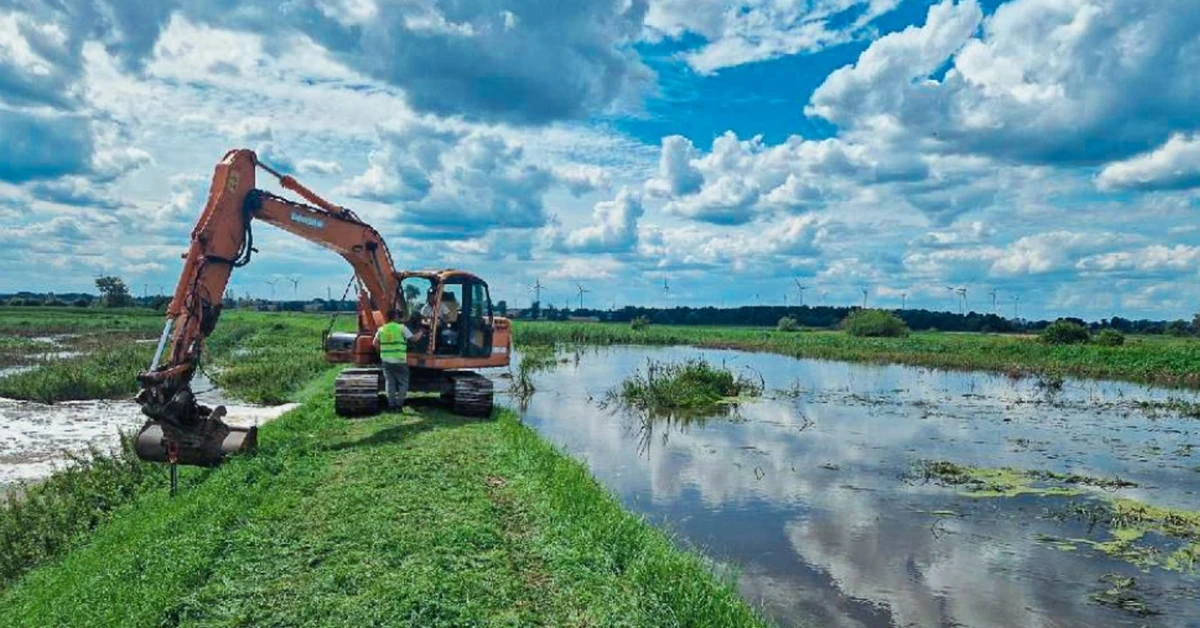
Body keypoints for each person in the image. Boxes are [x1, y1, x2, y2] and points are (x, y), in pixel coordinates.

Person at [372, 310, 423, 411]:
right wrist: (421, 332)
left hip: (386, 360)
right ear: (396, 317)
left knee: (390, 383)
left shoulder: (381, 329)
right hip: (399, 360)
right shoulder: (401, 328)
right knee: (403, 382)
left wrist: (382, 351)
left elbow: (374, 343)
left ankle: (391, 405)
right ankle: (399, 405)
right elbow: (414, 339)